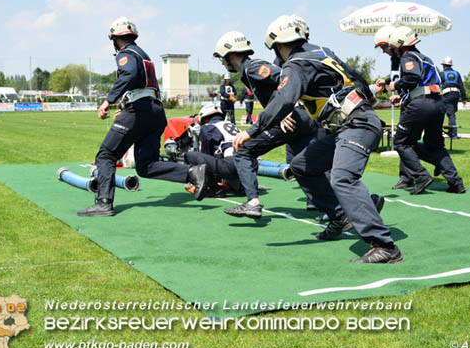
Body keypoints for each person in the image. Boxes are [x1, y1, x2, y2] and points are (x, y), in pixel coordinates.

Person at [232, 15, 400, 264]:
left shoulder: (295, 64)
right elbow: (358, 79)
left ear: (278, 46)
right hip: (349, 124)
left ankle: (385, 246)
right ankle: (339, 215)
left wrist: (251, 131)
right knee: (302, 166)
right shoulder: (324, 52)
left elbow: (284, 100)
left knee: (343, 179)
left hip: (356, 125)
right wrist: (370, 101)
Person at [77, 17, 213, 216]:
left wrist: (108, 101)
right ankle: (192, 173)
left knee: (106, 155)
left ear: (115, 38)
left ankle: (104, 202)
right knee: (146, 165)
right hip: (155, 111)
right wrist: (125, 107)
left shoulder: (126, 54)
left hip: (138, 110)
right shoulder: (143, 54)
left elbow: (129, 74)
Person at [213, 30, 325, 218]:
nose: (223, 63)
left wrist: (288, 108)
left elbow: (285, 77)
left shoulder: (253, 68)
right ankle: (323, 202)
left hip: (295, 117)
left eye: (223, 59)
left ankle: (252, 202)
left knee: (243, 151)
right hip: (302, 118)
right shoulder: (247, 73)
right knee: (301, 163)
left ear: (231, 55)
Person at [385, 26, 465, 195]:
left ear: (400, 44)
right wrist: (404, 96)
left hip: (421, 105)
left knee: (401, 142)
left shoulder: (408, 56)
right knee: (435, 145)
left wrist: (396, 85)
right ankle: (456, 182)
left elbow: (412, 77)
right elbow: (424, 83)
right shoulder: (425, 58)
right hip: (437, 103)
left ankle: (421, 176)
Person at [184, 103, 243, 195]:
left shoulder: (207, 127)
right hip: (250, 165)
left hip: (232, 165)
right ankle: (240, 185)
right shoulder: (231, 124)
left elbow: (205, 155)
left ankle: (214, 189)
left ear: (205, 118)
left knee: (190, 156)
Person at [439, 57, 467, 139]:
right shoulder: (457, 73)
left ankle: (453, 134)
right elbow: (461, 86)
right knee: (452, 113)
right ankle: (451, 132)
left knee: (450, 114)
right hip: (456, 95)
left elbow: (437, 84)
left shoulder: (442, 74)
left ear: (444, 65)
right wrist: (464, 98)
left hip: (447, 95)